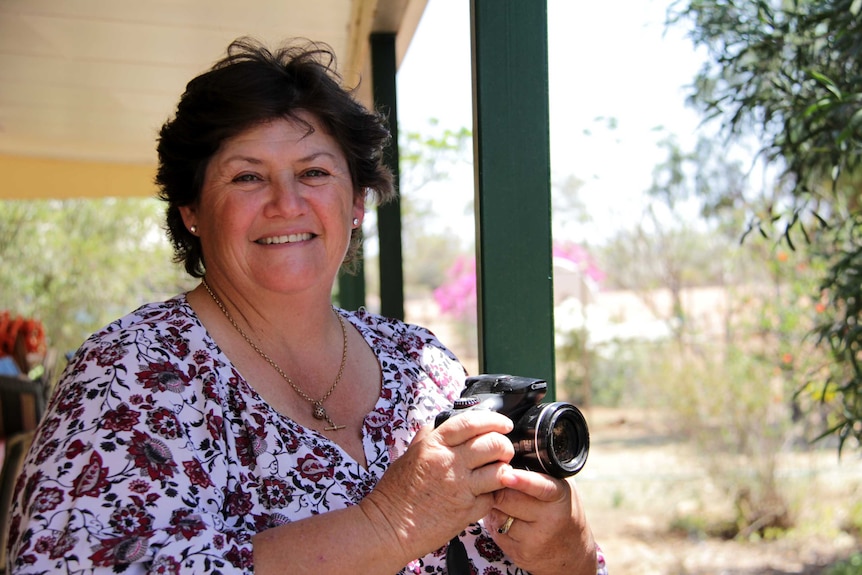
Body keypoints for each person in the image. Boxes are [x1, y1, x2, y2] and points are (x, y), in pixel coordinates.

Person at [6, 38, 607, 574]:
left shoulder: (420, 365)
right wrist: (385, 523)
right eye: (247, 177)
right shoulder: (129, 373)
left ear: (356, 204)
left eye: (314, 172)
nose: (285, 203)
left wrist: (568, 550)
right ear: (190, 210)